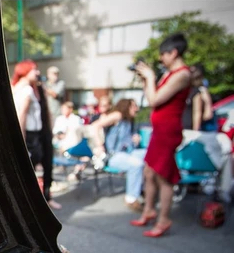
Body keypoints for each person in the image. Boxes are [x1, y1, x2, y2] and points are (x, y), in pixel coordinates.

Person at [132, 33, 191, 237]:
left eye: (163, 54)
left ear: (173, 52)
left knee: (164, 176)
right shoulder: (170, 73)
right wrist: (145, 80)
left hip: (168, 132)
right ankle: (149, 209)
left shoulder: (182, 74)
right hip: (159, 131)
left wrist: (150, 77)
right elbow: (152, 97)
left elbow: (154, 100)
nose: (161, 59)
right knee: (149, 172)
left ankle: (164, 218)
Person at [89, 99, 146, 212]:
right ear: (126, 106)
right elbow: (95, 126)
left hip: (128, 153)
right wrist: (99, 145)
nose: (137, 109)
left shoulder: (129, 120)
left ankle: (144, 190)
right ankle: (131, 198)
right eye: (134, 106)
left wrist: (135, 137)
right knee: (137, 164)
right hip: (113, 155)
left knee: (150, 155)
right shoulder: (118, 115)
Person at [37, 71, 62, 209]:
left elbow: (54, 96)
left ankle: (47, 196)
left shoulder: (57, 85)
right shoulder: (28, 90)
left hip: (48, 127)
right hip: (35, 132)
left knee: (48, 164)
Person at [11, 60, 43, 168]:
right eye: (34, 70)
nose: (37, 73)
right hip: (29, 136)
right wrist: (22, 138)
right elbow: (22, 115)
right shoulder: (27, 90)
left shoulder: (16, 88)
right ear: (25, 72)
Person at [182, 63, 214, 131]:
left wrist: (196, 130)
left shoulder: (201, 90)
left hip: (197, 127)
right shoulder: (187, 90)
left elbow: (207, 114)